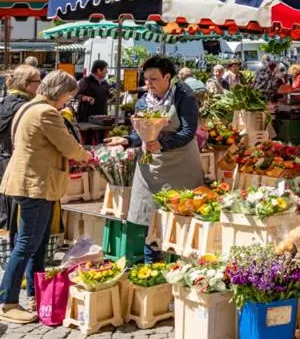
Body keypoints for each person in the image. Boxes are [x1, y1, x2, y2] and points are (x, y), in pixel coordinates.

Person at [0, 71, 91, 324]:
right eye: (68, 95)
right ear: (60, 91)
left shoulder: (28, 107)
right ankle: (7, 301)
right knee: (27, 243)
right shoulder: (46, 113)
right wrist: (87, 156)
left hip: (28, 182)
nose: (67, 100)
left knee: (37, 244)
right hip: (36, 185)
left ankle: (35, 292)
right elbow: (68, 146)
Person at [105, 56, 204, 263]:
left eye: (154, 79)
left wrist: (163, 144)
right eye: (146, 79)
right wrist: (127, 140)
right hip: (151, 166)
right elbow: (139, 133)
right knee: (150, 218)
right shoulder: (143, 101)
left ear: (168, 77)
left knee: (180, 218)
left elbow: (188, 132)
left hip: (180, 166)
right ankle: (151, 265)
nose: (148, 83)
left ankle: (180, 264)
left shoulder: (184, 97)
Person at [0, 66, 41, 231]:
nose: (40, 85)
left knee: (6, 212)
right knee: (17, 219)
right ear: (26, 84)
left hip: (4, 160)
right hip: (17, 163)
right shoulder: (25, 108)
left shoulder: (4, 102)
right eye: (38, 81)